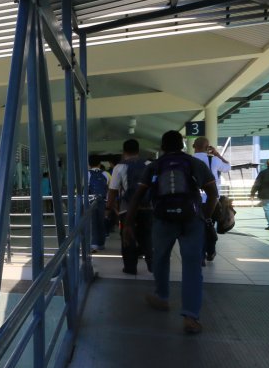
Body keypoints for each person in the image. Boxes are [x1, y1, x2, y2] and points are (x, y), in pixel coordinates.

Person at [127, 130, 218, 334]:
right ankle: (190, 317)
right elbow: (213, 195)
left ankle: (162, 297)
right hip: (192, 219)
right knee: (192, 266)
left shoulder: (155, 166)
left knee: (160, 258)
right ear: (183, 146)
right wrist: (205, 217)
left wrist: (128, 224)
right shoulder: (195, 164)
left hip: (162, 219)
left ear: (162, 147)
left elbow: (136, 196)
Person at [107, 139, 152, 275]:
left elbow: (113, 189)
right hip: (148, 207)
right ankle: (152, 263)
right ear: (138, 150)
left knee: (127, 236)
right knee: (148, 235)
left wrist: (109, 207)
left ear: (124, 151)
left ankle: (130, 267)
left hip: (127, 208)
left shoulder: (119, 167)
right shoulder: (149, 164)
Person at [191, 137, 230, 263]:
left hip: (194, 201)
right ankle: (211, 251)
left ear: (193, 146)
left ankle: (200, 255)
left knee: (196, 228)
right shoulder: (214, 159)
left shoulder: (189, 160)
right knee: (209, 225)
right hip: (212, 200)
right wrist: (217, 154)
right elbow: (228, 167)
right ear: (208, 147)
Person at [87, 156, 110, 252]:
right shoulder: (106, 174)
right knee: (101, 222)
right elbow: (110, 188)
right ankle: (101, 243)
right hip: (103, 201)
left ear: (89, 164)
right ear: (100, 164)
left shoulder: (87, 174)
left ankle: (94, 244)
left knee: (92, 222)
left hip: (90, 201)